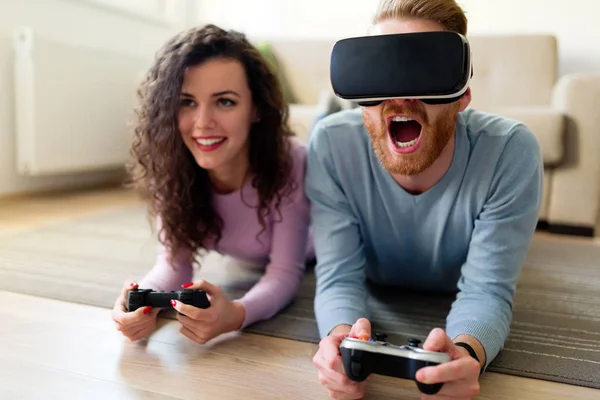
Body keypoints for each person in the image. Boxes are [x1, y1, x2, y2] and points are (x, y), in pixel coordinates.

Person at [307, 0, 543, 398]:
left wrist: (465, 354)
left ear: (463, 94)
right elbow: (338, 274)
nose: (400, 97)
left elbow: (486, 290)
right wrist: (340, 341)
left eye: (424, 74)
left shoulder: (509, 152)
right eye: (381, 75)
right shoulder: (331, 146)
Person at [111, 24, 313, 345]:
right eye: (187, 102)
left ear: (256, 108)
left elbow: (286, 273)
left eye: (225, 102)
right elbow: (173, 264)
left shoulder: (291, 160)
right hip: (247, 262)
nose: (203, 122)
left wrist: (235, 314)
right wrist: (141, 301)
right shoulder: (173, 163)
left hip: (311, 250)